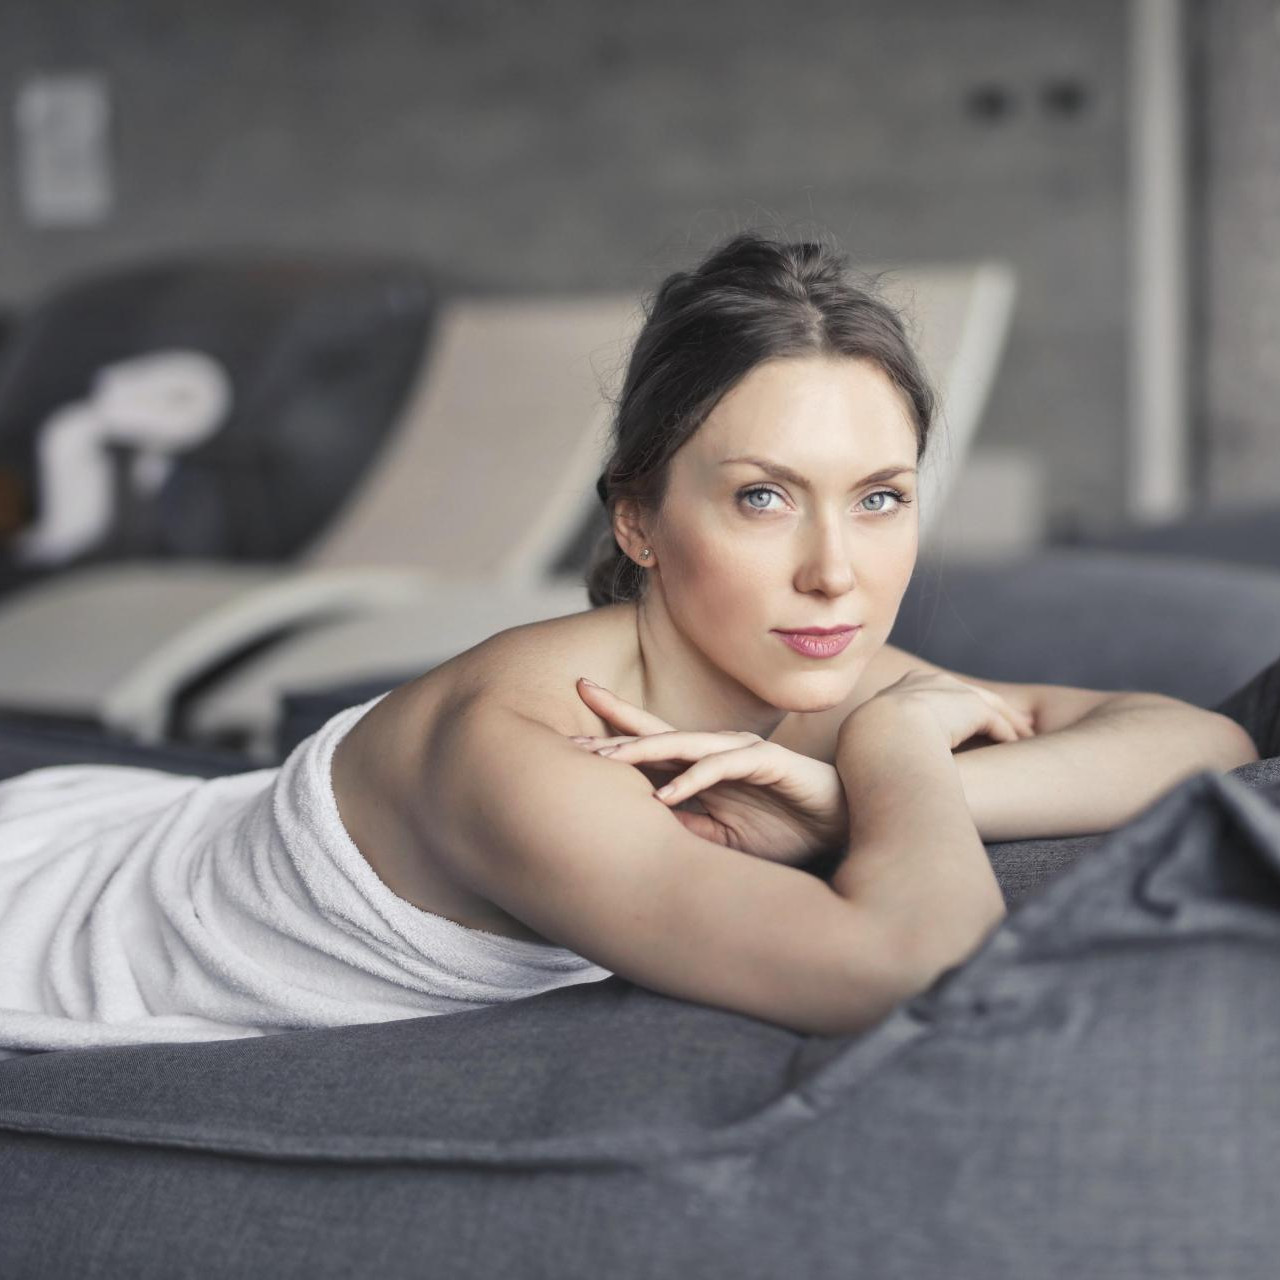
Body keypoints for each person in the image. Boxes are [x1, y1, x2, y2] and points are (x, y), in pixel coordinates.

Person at [0, 231, 1264, 1055]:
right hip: (47, 908)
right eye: (762, 496)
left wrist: (847, 785)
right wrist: (896, 750)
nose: (835, 568)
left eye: (878, 496)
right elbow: (918, 961)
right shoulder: (526, 750)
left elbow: (1197, 737)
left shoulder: (811, 665)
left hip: (156, 814)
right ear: (639, 519)